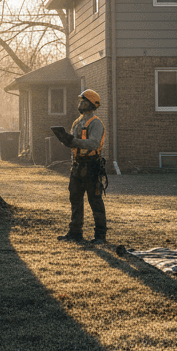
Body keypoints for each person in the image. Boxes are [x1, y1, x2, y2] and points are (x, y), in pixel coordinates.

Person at [58, 89, 108, 243]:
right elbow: (75, 144)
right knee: (75, 199)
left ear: (91, 103)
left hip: (92, 166)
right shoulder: (77, 122)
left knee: (95, 201)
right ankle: (74, 233)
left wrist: (72, 141)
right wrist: (66, 140)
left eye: (83, 101)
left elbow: (93, 143)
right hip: (77, 166)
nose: (80, 103)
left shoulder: (96, 123)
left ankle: (100, 236)